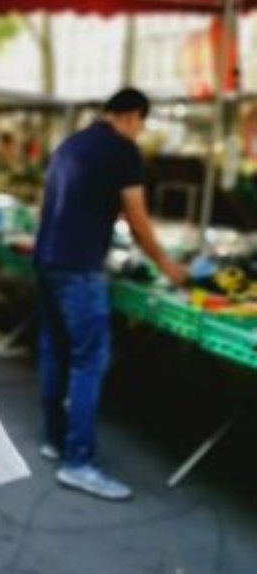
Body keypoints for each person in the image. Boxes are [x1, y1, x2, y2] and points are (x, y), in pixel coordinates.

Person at [34, 87, 188, 501]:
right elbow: (136, 219)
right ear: (133, 116)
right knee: (89, 360)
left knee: (55, 349)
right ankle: (78, 462)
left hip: (47, 258)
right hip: (81, 266)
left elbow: (50, 202)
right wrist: (169, 267)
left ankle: (55, 438)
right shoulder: (123, 150)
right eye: (141, 124)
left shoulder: (71, 144)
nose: (139, 131)